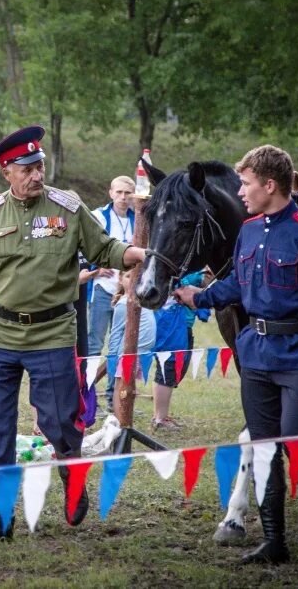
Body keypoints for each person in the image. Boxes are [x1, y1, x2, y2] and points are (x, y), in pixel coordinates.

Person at [176, 144, 298, 564]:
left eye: (246, 184)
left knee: (294, 443)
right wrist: (201, 297)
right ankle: (273, 541)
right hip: (256, 354)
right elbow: (240, 287)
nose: (241, 191)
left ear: (270, 185)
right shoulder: (248, 231)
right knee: (264, 446)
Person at [0, 125, 146, 539]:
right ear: (7, 172)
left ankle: (73, 486)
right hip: (0, 336)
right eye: (26, 169)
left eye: (39, 166)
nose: (36, 175)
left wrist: (133, 254)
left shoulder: (68, 207)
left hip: (54, 333)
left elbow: (103, 249)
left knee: (61, 423)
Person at [87, 177, 137, 384]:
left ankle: (113, 395)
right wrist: (96, 267)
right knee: (95, 343)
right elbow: (84, 246)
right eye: (119, 192)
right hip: (103, 288)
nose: (123, 197)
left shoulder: (140, 219)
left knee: (121, 345)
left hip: (127, 292)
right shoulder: (98, 216)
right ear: (111, 193)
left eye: (127, 193)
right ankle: (87, 394)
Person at [150, 270, 210, 431]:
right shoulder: (167, 268)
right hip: (169, 322)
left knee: (175, 369)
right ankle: (160, 419)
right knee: (167, 368)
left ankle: (161, 415)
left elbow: (205, 281)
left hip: (183, 324)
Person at [106, 268, 155, 418]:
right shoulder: (123, 304)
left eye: (137, 276)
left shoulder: (143, 300)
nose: (133, 279)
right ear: (120, 279)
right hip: (126, 354)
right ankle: (118, 418)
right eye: (128, 276)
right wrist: (113, 357)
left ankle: (125, 414)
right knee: (120, 387)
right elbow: (115, 333)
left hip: (140, 353)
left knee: (130, 387)